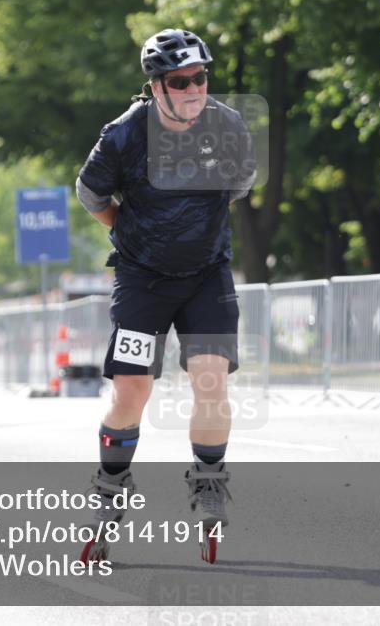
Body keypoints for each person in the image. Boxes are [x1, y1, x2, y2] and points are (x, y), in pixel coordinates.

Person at [75, 28, 256, 564]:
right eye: (181, 81)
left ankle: (208, 480)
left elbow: (240, 188)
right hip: (142, 279)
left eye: (201, 76)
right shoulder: (123, 134)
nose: (195, 88)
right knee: (131, 391)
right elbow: (91, 193)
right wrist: (128, 232)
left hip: (207, 276)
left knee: (210, 377)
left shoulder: (227, 126)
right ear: (157, 87)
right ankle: (112, 487)